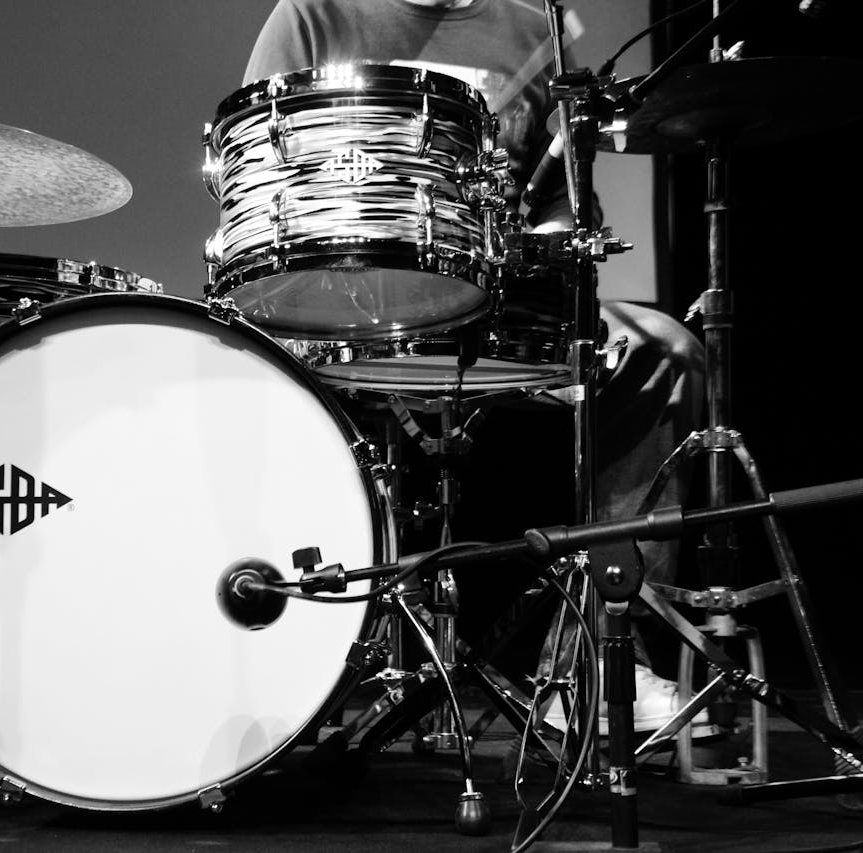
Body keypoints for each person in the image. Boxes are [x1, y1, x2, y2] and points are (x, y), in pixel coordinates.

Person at [242, 0, 707, 732]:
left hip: (492, 314)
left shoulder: (532, 27)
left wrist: (544, 246)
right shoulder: (311, 15)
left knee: (666, 352)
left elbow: (559, 208)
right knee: (252, 365)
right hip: (343, 308)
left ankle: (594, 664)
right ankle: (278, 659)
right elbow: (260, 186)